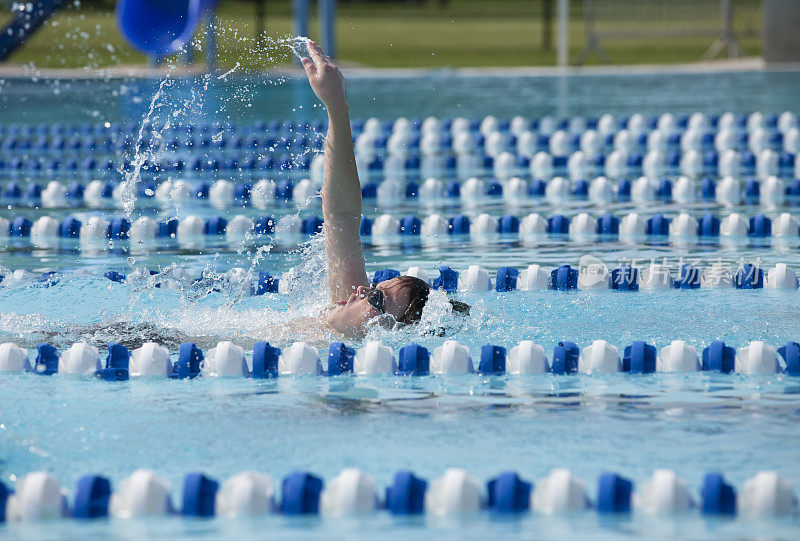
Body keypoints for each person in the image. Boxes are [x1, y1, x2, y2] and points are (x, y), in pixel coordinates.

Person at [300, 41, 465, 338]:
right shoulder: (340, 328)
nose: (362, 289)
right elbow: (340, 215)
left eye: (377, 299)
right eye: (375, 290)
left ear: (386, 330)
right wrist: (337, 107)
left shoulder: (338, 346)